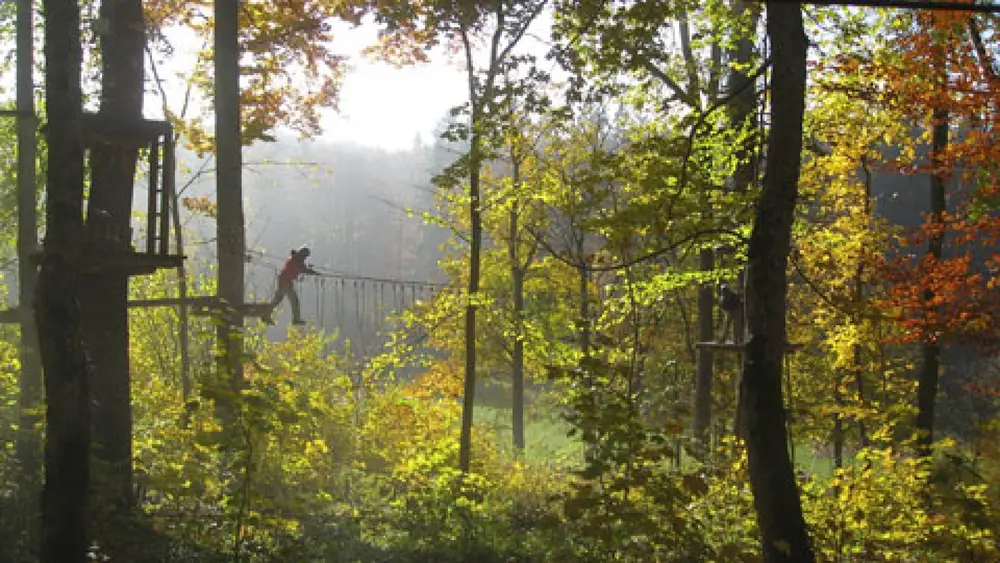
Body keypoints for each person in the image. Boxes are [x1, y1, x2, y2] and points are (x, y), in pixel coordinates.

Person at [264, 246, 319, 325]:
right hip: (285, 281)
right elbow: (303, 269)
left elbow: (303, 268)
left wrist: (311, 270)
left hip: (284, 280)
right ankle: (296, 319)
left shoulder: (296, 259)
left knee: (277, 300)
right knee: (294, 300)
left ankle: (266, 314)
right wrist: (314, 272)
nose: (305, 258)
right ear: (302, 254)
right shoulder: (295, 260)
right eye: (305, 256)